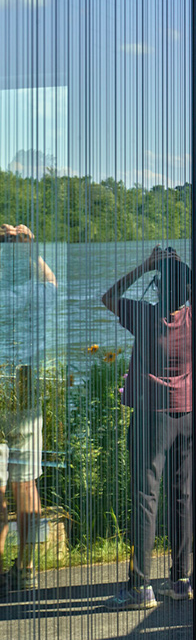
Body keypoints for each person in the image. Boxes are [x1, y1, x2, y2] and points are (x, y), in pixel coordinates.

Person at [101, 246, 194, 609]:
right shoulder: (194, 319)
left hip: (151, 417)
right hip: (188, 415)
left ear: (157, 288)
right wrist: (174, 269)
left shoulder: (144, 316)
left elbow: (109, 297)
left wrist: (147, 265)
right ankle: (181, 579)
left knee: (145, 498)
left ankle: (141, 585)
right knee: (183, 495)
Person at [0, 223, 56, 594]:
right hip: (23, 387)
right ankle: (26, 568)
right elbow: (51, 284)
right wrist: (30, 247)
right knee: (26, 481)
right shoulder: (31, 293)